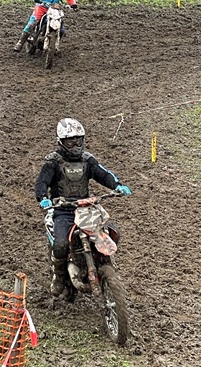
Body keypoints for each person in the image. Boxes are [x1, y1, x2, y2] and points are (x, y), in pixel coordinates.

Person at [35, 117, 131, 297]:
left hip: (86, 208)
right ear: (61, 142)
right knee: (61, 244)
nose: (75, 145)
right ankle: (59, 276)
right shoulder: (53, 162)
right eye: (70, 142)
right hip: (63, 209)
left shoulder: (87, 160)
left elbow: (103, 174)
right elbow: (42, 182)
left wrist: (117, 185)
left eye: (78, 141)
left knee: (112, 232)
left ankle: (102, 262)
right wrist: (43, 198)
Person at [13, 0, 78, 52]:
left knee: (61, 28)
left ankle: (55, 44)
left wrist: (73, 4)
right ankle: (20, 43)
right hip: (42, 5)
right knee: (33, 22)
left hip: (54, 8)